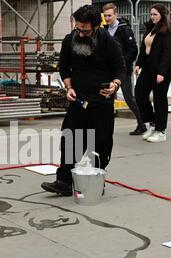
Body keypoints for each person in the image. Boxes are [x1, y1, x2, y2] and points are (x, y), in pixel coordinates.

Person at [41, 4, 125, 196]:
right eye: (78, 28)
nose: (80, 33)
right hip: (78, 100)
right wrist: (69, 88)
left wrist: (114, 85)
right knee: (70, 138)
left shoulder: (108, 42)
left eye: (84, 30)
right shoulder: (70, 39)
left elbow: (120, 68)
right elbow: (64, 67)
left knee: (101, 142)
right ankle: (63, 181)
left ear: (96, 26)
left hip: (101, 102)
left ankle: (96, 181)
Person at [134, 3, 171, 143]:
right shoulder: (150, 28)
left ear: (162, 15)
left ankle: (161, 131)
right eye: (151, 14)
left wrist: (162, 73)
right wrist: (139, 64)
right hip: (148, 67)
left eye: (155, 14)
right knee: (139, 93)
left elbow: (168, 53)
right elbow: (144, 47)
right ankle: (153, 122)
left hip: (161, 70)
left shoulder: (168, 30)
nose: (152, 17)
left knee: (159, 98)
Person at [103, 3, 146, 135]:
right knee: (107, 97)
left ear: (116, 14)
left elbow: (133, 50)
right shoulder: (104, 30)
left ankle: (142, 123)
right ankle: (106, 126)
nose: (107, 18)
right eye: (105, 16)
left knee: (128, 97)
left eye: (109, 15)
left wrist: (122, 63)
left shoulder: (124, 29)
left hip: (122, 70)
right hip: (107, 70)